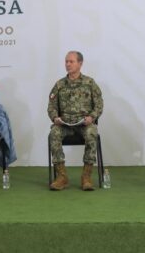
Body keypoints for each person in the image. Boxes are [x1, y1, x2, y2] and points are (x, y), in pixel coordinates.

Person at [48, 50, 104, 191]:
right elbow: (51, 106)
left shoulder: (89, 83)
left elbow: (99, 104)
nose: (68, 64)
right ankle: (62, 177)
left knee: (92, 133)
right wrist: (55, 118)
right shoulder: (59, 84)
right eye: (66, 61)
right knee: (54, 133)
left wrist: (92, 117)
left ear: (80, 63)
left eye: (71, 61)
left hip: (84, 123)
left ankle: (86, 177)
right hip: (65, 124)